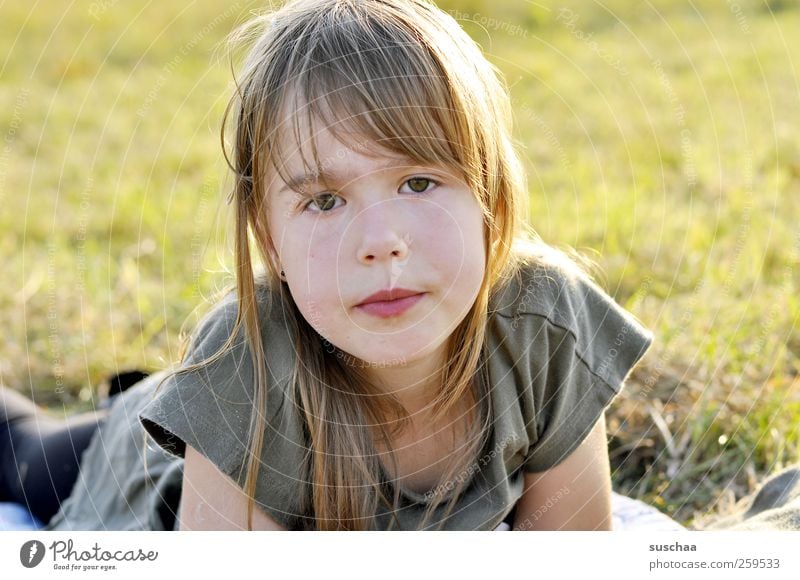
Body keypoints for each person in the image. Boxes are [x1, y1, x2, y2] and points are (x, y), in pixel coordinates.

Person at [3, 0, 671, 531]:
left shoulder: (544, 324)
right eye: (324, 199)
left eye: (417, 183)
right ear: (270, 241)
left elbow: (573, 550)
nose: (380, 242)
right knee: (25, 450)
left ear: (489, 197)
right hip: (157, 470)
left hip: (236, 412)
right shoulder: (248, 362)